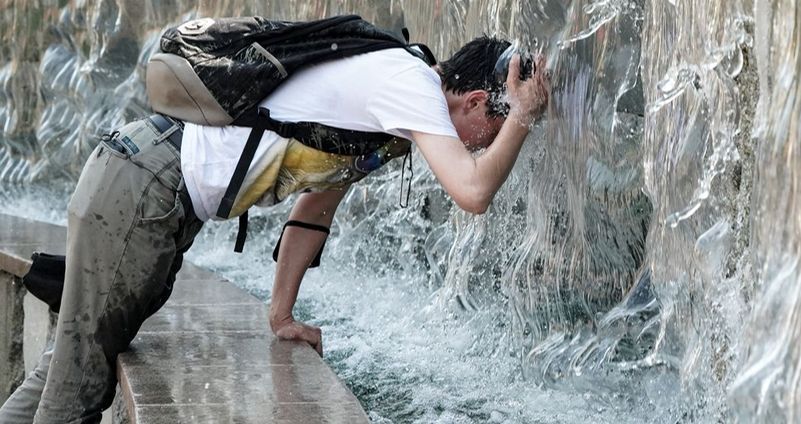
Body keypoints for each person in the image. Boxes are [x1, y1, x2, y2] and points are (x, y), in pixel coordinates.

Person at [0, 33, 549, 424]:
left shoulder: (391, 109)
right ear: (477, 101)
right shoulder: (411, 85)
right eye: (491, 130)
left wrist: (280, 313)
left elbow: (315, 206)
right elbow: (474, 192)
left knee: (63, 373)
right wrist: (522, 119)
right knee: (75, 395)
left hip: (150, 189)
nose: (482, 146)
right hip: (146, 186)